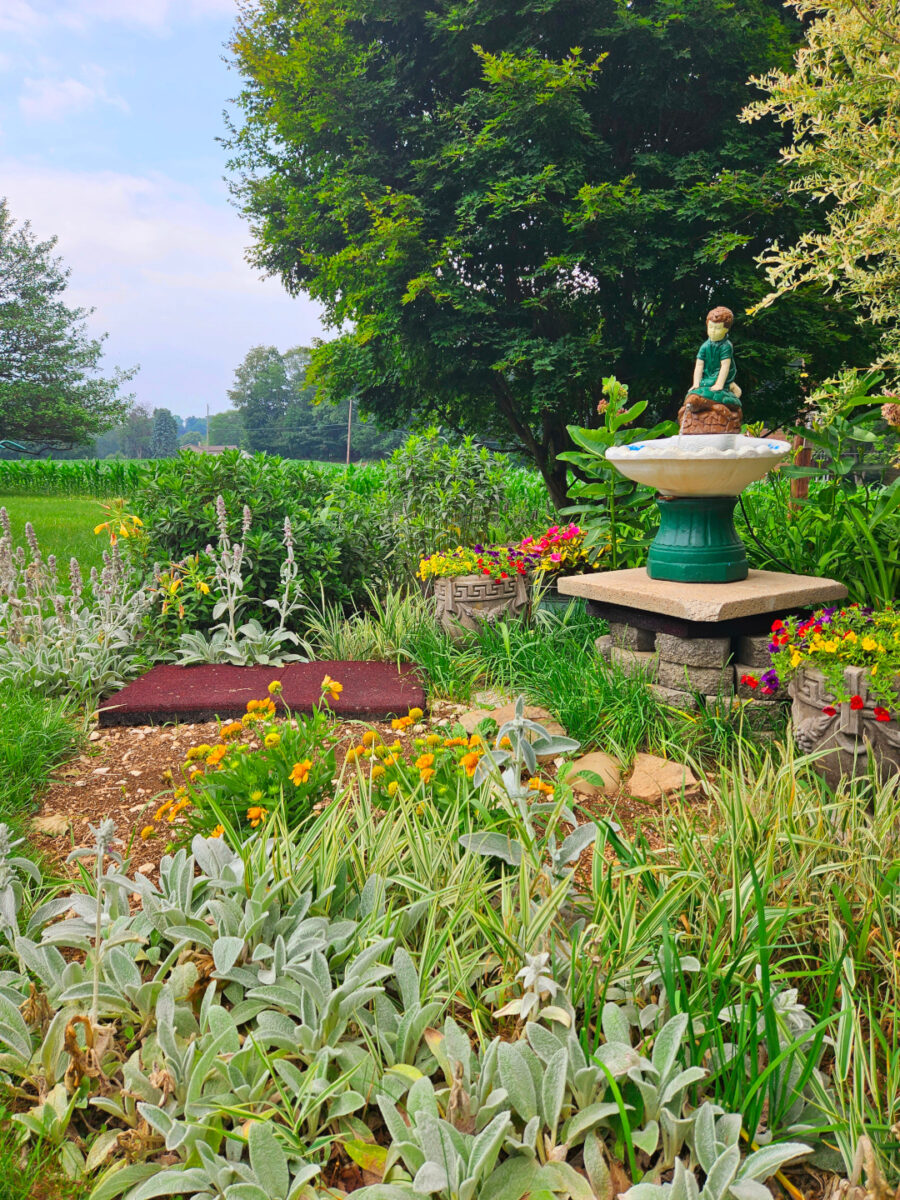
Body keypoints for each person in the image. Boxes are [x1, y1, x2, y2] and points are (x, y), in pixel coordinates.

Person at [678, 306, 743, 434]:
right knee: (702, 385)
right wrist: (696, 384)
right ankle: (730, 387)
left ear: (726, 329)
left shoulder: (726, 346)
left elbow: (725, 366)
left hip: (722, 375)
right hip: (708, 376)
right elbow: (699, 366)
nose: (713, 331)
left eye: (717, 328)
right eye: (711, 327)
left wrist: (719, 384)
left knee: (716, 388)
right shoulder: (705, 346)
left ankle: (730, 386)